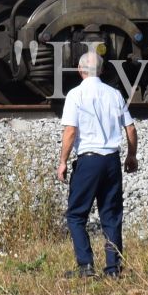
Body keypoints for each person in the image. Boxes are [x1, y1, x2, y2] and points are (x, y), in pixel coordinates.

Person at [56, 51, 138, 278]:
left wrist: (62, 161)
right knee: (111, 215)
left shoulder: (75, 95)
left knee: (76, 215)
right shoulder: (114, 94)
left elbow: (71, 131)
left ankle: (86, 266)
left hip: (88, 161)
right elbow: (130, 128)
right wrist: (131, 156)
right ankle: (113, 269)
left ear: (79, 71)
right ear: (101, 71)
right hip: (111, 161)